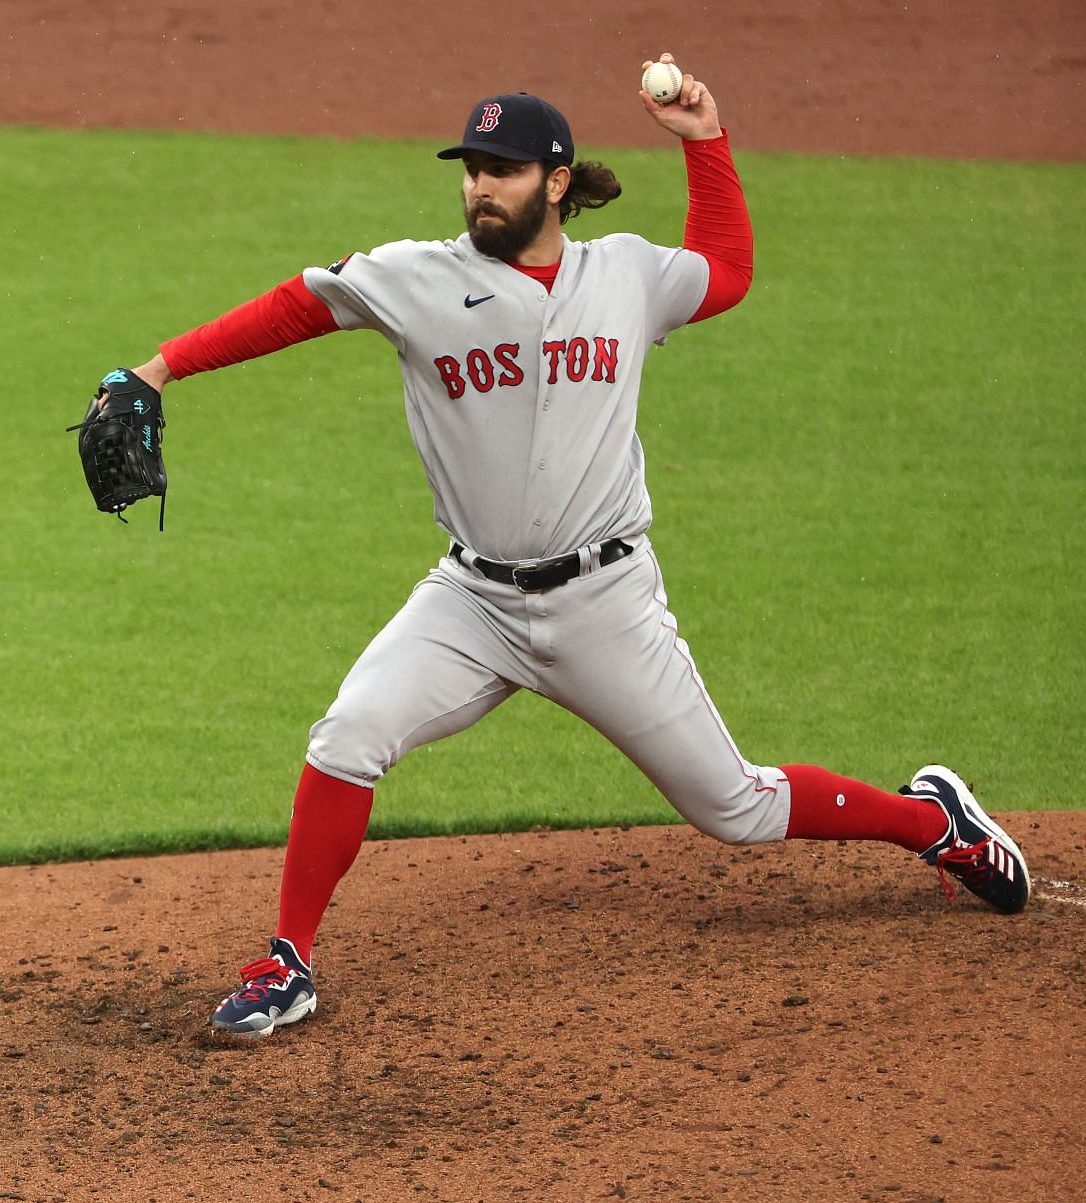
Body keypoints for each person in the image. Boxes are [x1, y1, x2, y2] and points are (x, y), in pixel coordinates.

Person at [99, 57, 1031, 1038]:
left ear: (554, 181)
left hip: (606, 604)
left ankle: (937, 823)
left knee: (736, 807)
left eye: (500, 170)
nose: (477, 186)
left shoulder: (624, 274)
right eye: (469, 167)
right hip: (472, 604)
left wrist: (704, 144)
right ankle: (287, 961)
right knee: (347, 734)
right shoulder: (416, 278)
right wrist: (159, 369)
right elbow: (295, 305)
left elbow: (729, 273)